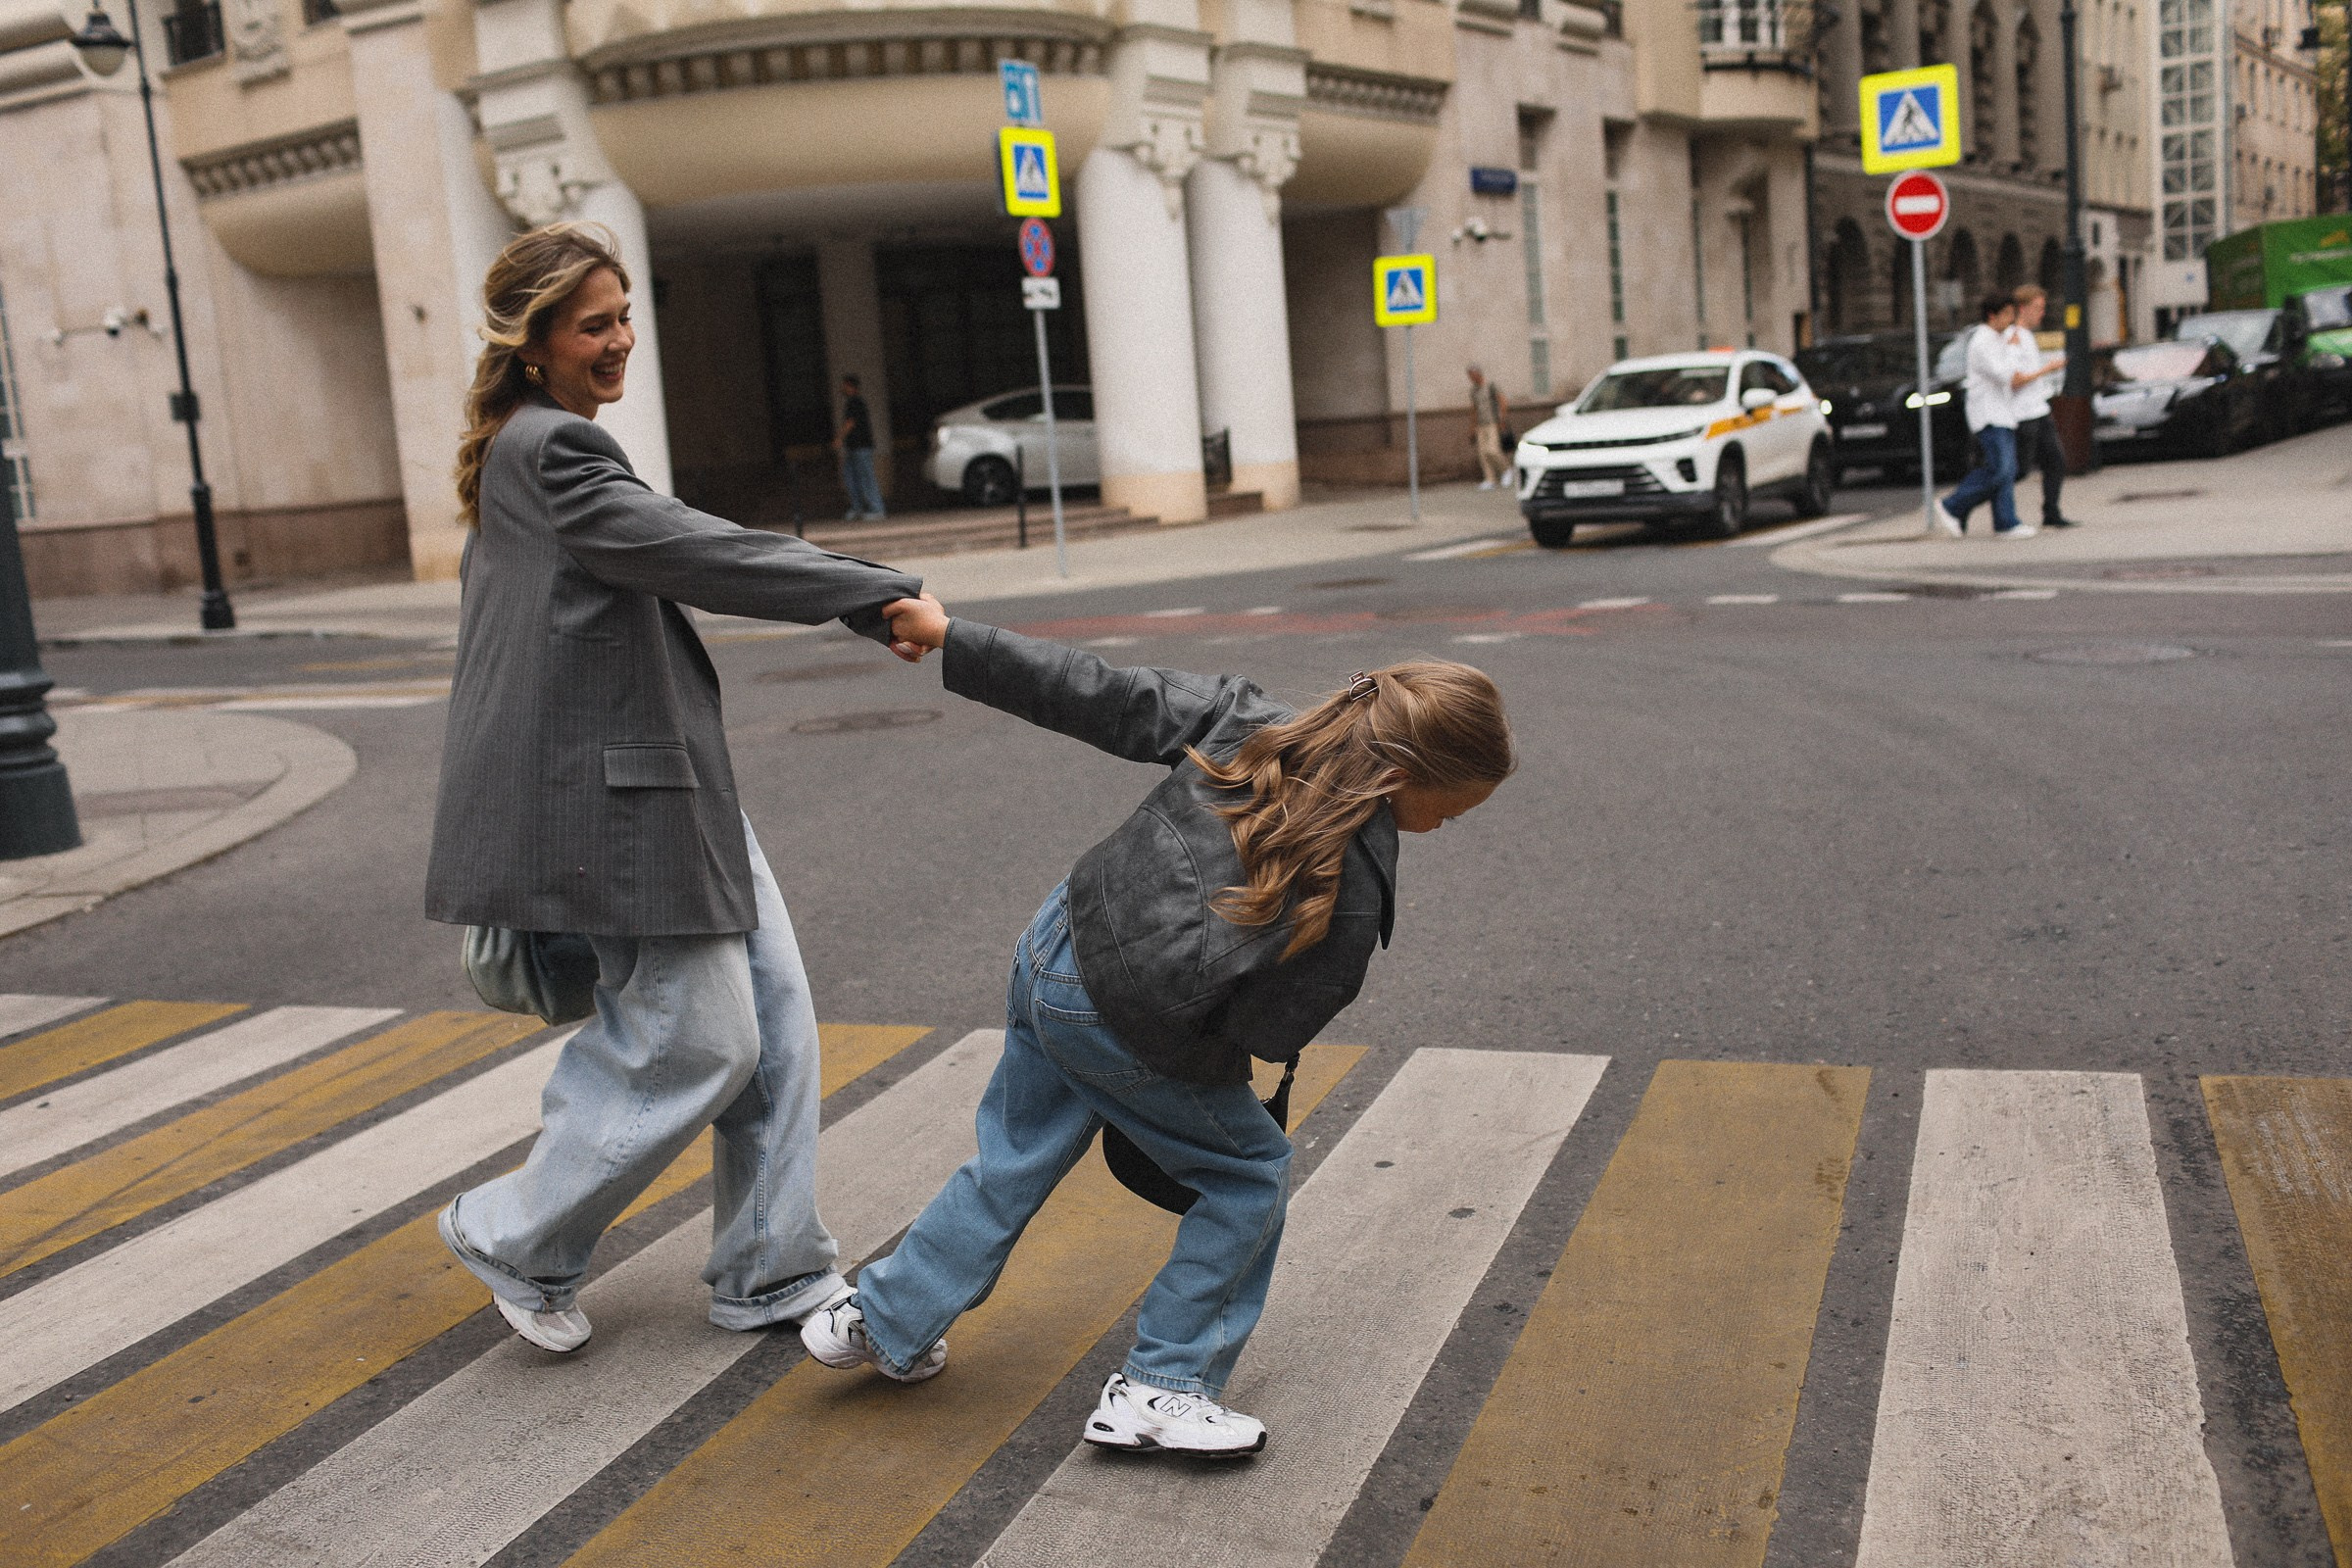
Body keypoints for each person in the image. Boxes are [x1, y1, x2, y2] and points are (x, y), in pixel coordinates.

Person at [801, 615, 1514, 1455]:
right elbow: (1268, 1028)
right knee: (1248, 1177)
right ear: (1399, 775)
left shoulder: (1251, 721)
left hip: (1059, 944)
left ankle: (883, 1318)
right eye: (1450, 811)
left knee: (1017, 1153)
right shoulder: (1353, 884)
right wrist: (1200, 1089)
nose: (1445, 826)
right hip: (1126, 1019)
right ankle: (1164, 1386)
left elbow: (1099, 691)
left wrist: (954, 635)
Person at [427, 222, 934, 1354]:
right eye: (592, 325)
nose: (620, 341)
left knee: (778, 1019)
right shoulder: (552, 451)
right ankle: (515, 1233)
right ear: (534, 343)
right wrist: (867, 593)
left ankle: (771, 1264)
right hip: (620, 808)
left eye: (624, 317)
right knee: (698, 1037)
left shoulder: (535, 448)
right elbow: (701, 549)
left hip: (671, 787)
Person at [1936, 293, 2043, 540]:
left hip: (2002, 413)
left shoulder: (1998, 338)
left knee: (2006, 469)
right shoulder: (1982, 342)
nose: (2011, 320)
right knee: (2000, 469)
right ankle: (1953, 505)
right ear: (1992, 315)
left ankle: (2005, 522)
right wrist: (2013, 349)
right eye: (2007, 314)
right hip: (1988, 414)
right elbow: (2005, 374)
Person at [2005, 284, 2077, 529]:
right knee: (2019, 470)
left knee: (2056, 461)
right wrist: (2048, 368)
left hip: (2039, 409)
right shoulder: (2013, 337)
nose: (2042, 313)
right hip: (2023, 413)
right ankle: (1967, 501)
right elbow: (2015, 380)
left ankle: (2051, 512)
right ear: (2022, 308)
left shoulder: (2027, 336)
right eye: (2038, 308)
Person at [837, 373, 885, 522]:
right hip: (854, 446)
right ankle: (858, 508)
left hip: (861, 446)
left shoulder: (855, 402)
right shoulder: (853, 402)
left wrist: (839, 438)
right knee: (853, 478)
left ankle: (876, 509)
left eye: (844, 385)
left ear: (850, 386)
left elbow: (850, 423)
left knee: (866, 477)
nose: (842, 388)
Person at [1468, 365, 1511, 490]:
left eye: (1473, 375)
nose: (1472, 378)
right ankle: (1490, 479)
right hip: (1480, 425)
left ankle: (1506, 470)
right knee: (1482, 453)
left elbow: (1502, 401)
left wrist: (1502, 420)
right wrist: (1472, 427)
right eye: (1470, 376)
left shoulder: (1491, 386)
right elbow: (1474, 409)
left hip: (1493, 423)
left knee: (1492, 450)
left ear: (1478, 374)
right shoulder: (1473, 391)